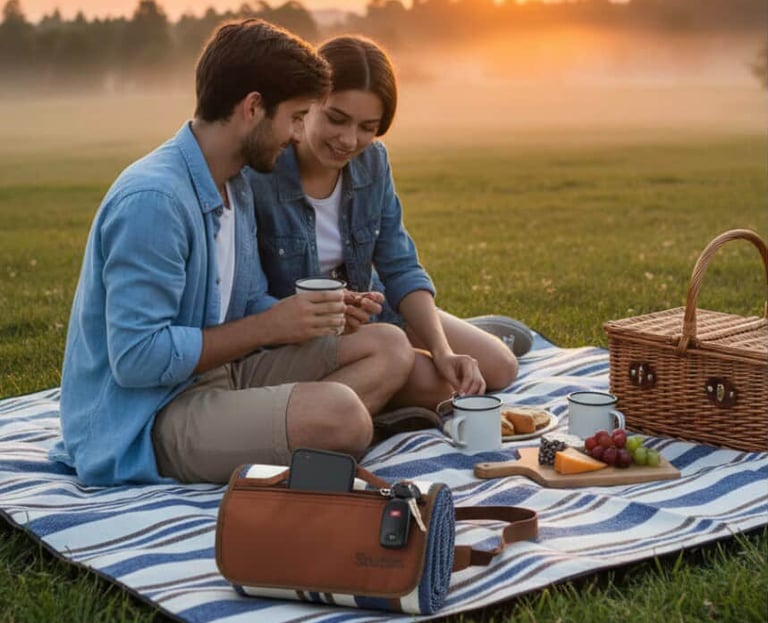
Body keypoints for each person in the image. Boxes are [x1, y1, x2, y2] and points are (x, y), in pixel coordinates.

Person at [50, 20, 416, 486]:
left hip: (222, 376)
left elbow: (245, 304)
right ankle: (317, 431)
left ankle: (294, 432)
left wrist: (312, 314)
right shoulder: (155, 201)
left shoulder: (236, 185)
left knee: (388, 345)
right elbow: (137, 357)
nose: (299, 133)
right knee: (343, 416)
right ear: (253, 108)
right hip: (151, 416)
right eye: (296, 116)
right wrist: (269, 326)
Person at [247, 35, 529, 412]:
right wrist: (325, 315)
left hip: (373, 311)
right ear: (308, 103)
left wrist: (443, 350)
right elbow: (247, 298)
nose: (349, 140)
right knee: (441, 389)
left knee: (500, 367)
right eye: (337, 119)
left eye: (368, 126)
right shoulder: (262, 173)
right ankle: (380, 385)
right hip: (303, 336)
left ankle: (452, 337)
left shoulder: (373, 162)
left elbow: (400, 265)